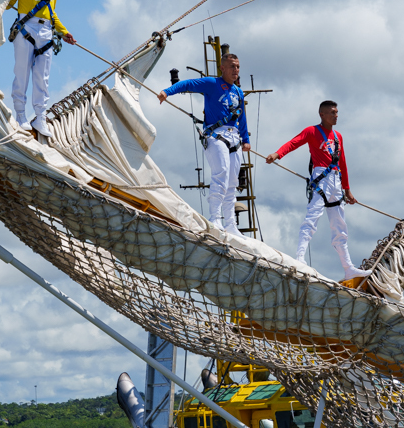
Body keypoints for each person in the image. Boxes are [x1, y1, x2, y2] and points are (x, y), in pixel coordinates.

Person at [266, 101, 371, 281]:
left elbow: (343, 163)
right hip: (321, 177)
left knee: (339, 225)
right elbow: (294, 142)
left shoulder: (338, 136)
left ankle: (348, 268)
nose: (336, 115)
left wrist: (347, 190)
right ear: (322, 114)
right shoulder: (312, 131)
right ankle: (299, 258)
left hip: (336, 180)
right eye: (332, 112)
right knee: (312, 217)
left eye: (337, 112)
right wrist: (278, 154)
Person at [159, 55, 250, 236]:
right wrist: (167, 91)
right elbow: (188, 84)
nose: (236, 70)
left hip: (234, 137)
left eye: (238, 67)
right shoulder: (211, 83)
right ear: (222, 68)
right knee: (221, 173)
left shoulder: (238, 92)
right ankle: (215, 218)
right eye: (232, 66)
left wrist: (245, 139)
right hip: (216, 134)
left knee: (232, 181)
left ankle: (230, 223)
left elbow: (242, 117)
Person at [6, 0, 76, 141]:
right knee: (22, 71)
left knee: (42, 76)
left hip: (46, 30)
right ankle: (20, 114)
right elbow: (8, 2)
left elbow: (51, 12)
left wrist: (63, 32)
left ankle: (40, 117)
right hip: (25, 27)